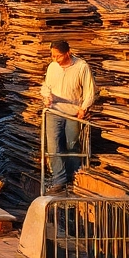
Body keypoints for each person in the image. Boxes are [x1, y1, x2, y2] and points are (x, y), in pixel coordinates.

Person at [39, 39, 96, 193]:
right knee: (53, 146)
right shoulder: (52, 67)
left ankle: (72, 177)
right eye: (53, 56)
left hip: (73, 112)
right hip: (54, 111)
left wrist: (83, 108)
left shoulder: (81, 67)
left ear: (68, 53)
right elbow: (46, 86)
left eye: (58, 56)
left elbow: (90, 91)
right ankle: (59, 180)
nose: (55, 59)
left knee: (72, 145)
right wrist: (46, 96)